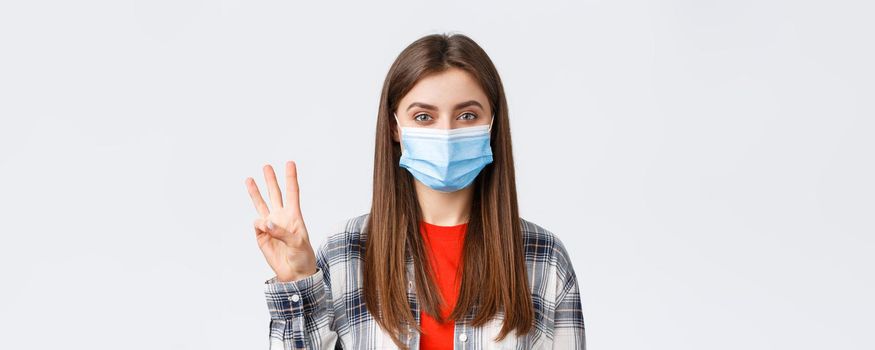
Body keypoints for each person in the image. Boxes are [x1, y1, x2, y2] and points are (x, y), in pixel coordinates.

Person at [244, 33, 585, 349]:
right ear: (395, 126)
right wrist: (299, 280)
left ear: (492, 123)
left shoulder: (544, 258)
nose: (447, 133)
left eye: (467, 115)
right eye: (424, 117)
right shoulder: (344, 253)